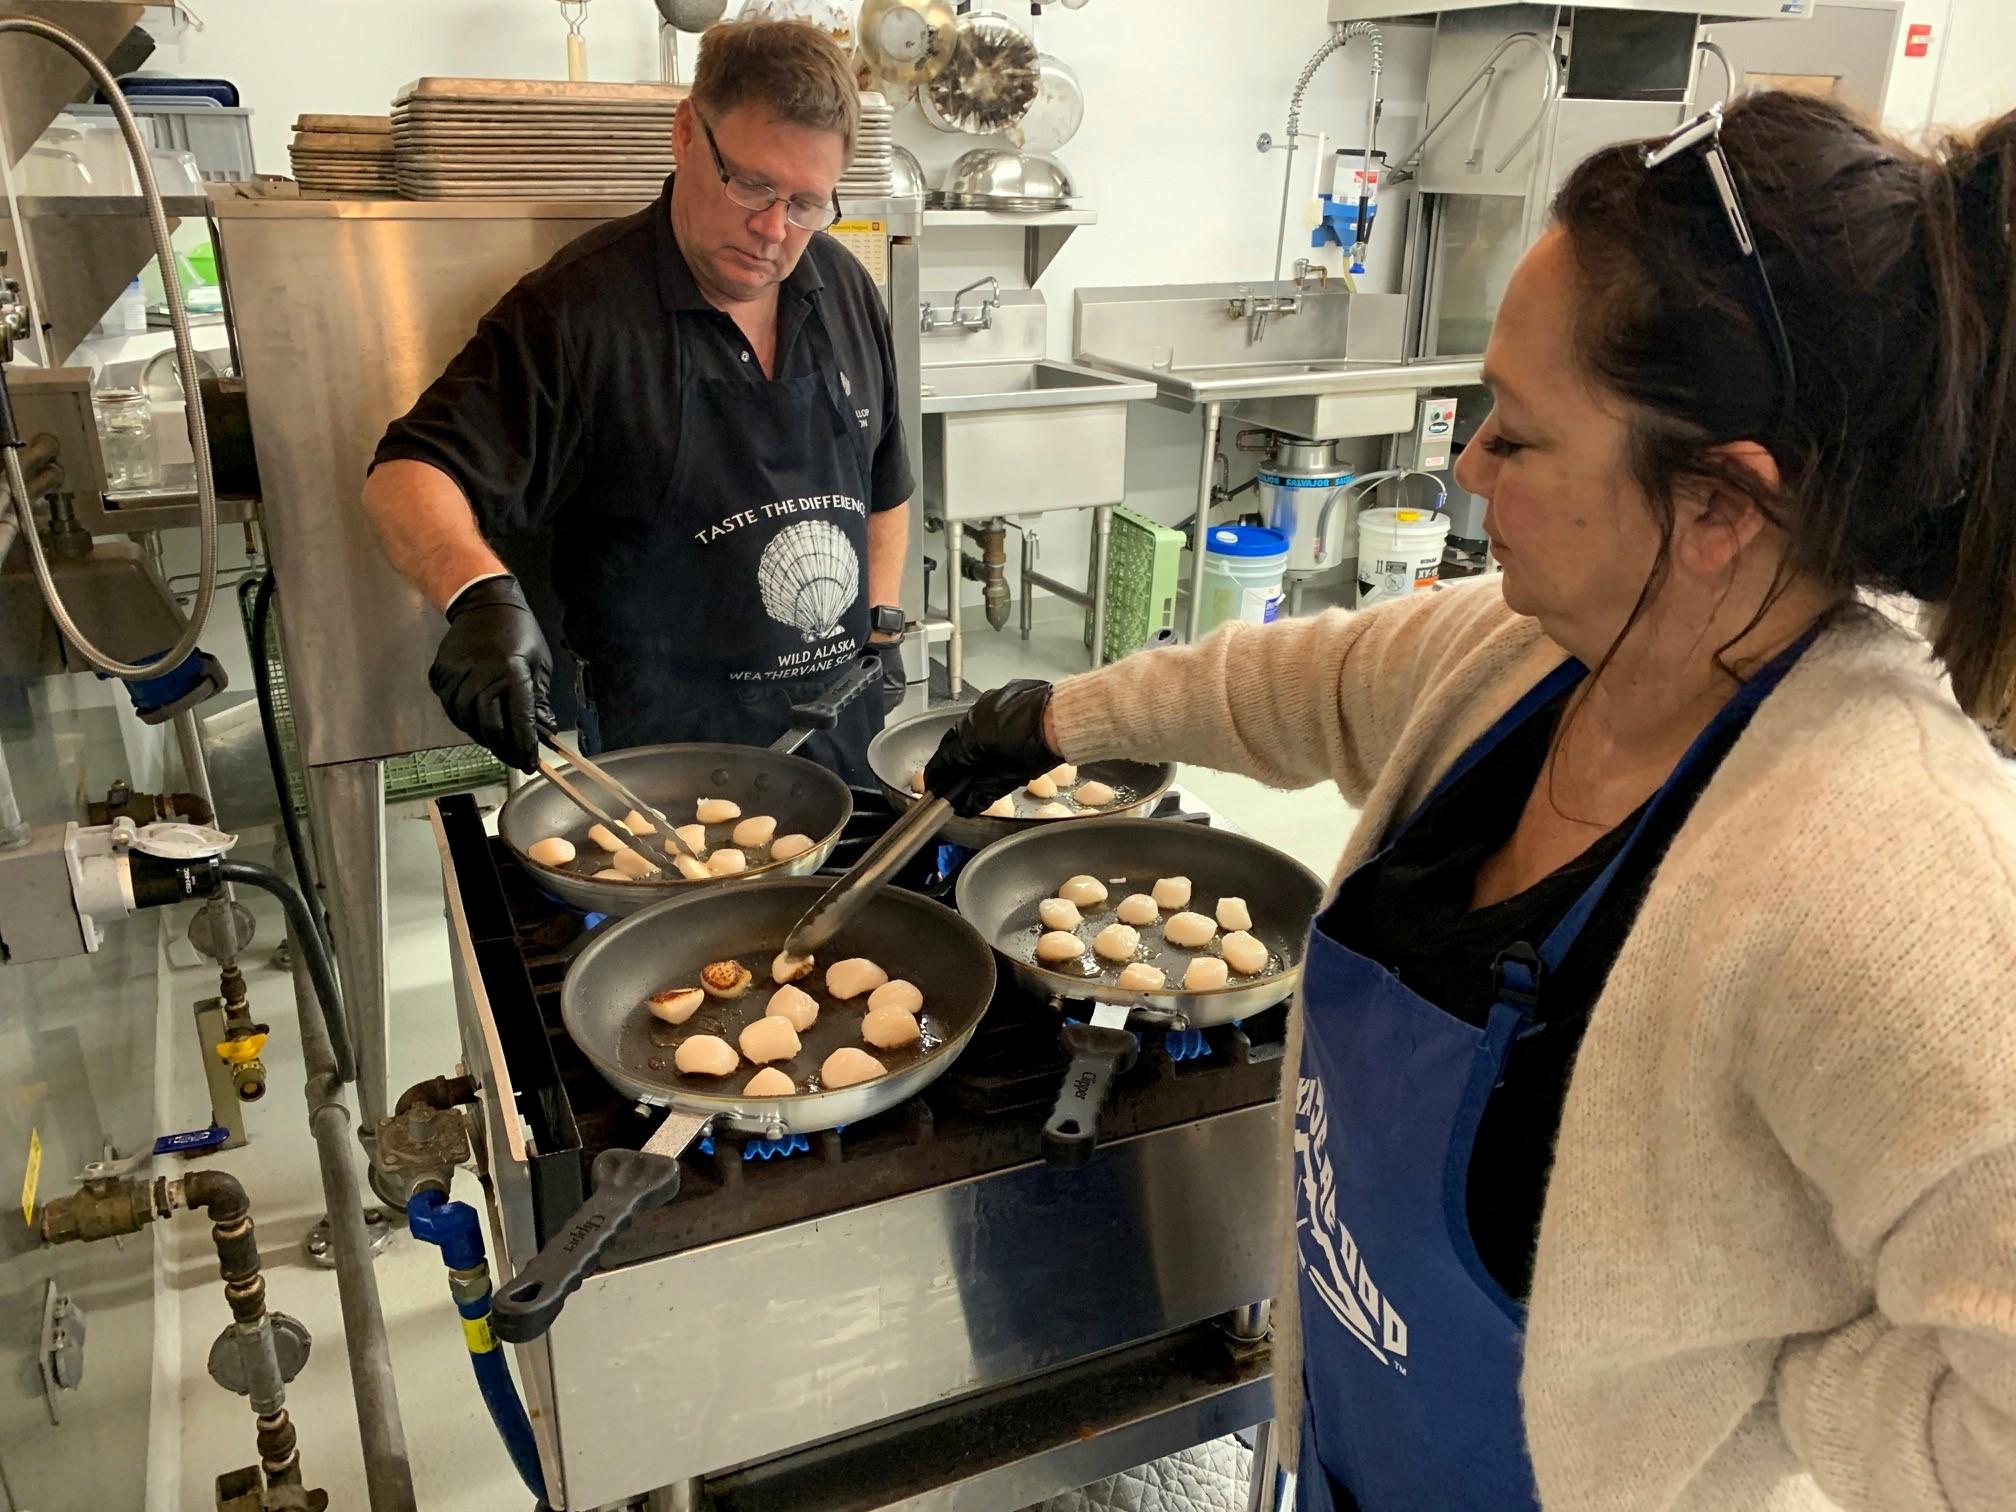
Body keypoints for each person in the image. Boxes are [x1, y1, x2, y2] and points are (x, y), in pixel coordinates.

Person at [928, 92, 2016, 1511]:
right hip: (1347, 1459)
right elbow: (1297, 683)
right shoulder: (1521, 653)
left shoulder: (1893, 878)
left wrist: (1761, 1393)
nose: (1465, 467)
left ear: (1718, 507)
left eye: (1519, 434)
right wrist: (1062, 718)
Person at [362, 20, 912, 782]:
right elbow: (408, 473)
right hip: (663, 765)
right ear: (687, 132)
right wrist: (478, 598)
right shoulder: (577, 312)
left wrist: (881, 628)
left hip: (838, 730)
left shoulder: (843, 286)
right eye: (750, 184)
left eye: (807, 203)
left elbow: (886, 484)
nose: (773, 231)